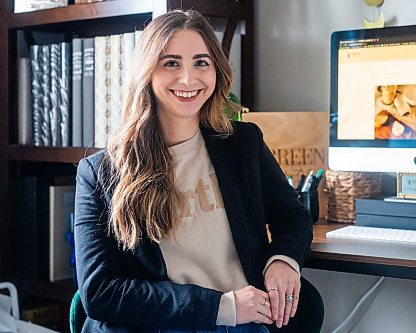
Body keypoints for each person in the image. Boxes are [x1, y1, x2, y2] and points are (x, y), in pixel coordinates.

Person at [74, 9, 319, 333]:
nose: (188, 79)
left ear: (216, 69)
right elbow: (99, 291)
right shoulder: (100, 174)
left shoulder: (243, 144)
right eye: (171, 63)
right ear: (147, 72)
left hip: (249, 324)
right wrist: (222, 307)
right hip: (164, 325)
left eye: (201, 62)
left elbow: (293, 216)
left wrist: (283, 260)